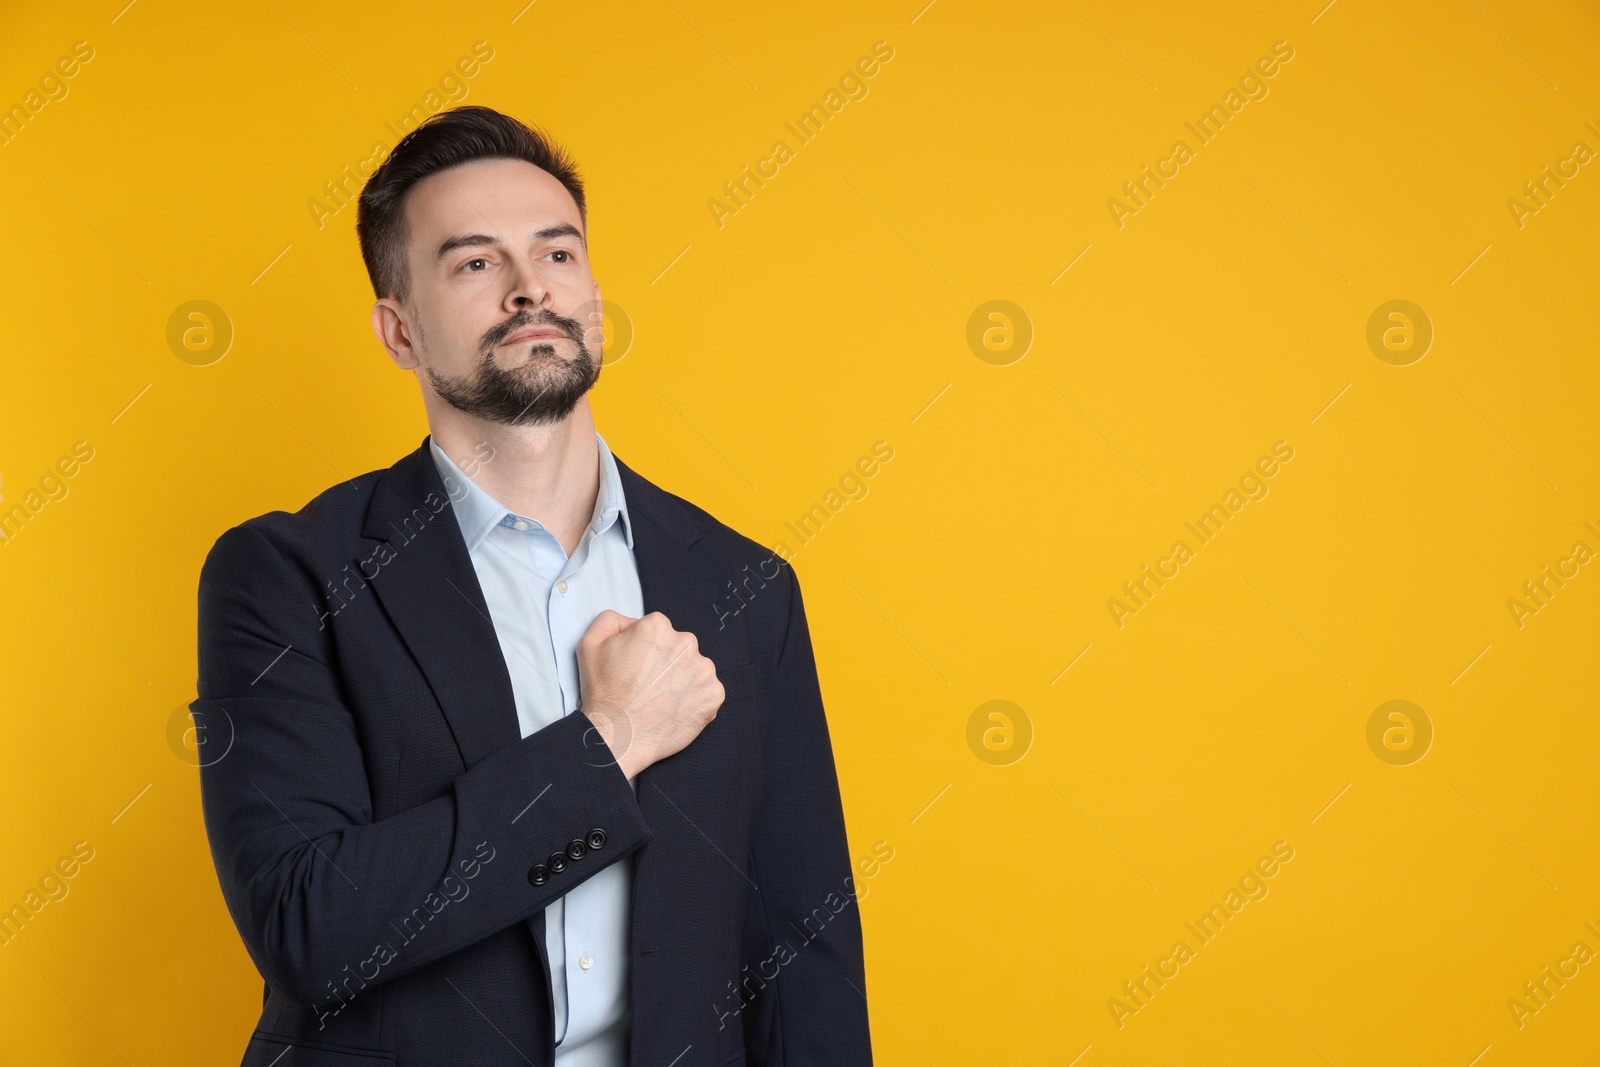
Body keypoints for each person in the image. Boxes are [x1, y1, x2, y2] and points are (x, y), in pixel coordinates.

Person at [192, 105, 870, 1067]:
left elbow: (804, 946)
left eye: (558, 255)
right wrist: (608, 744)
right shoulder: (287, 575)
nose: (528, 290)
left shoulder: (744, 584)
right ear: (399, 331)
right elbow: (309, 924)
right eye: (474, 263)